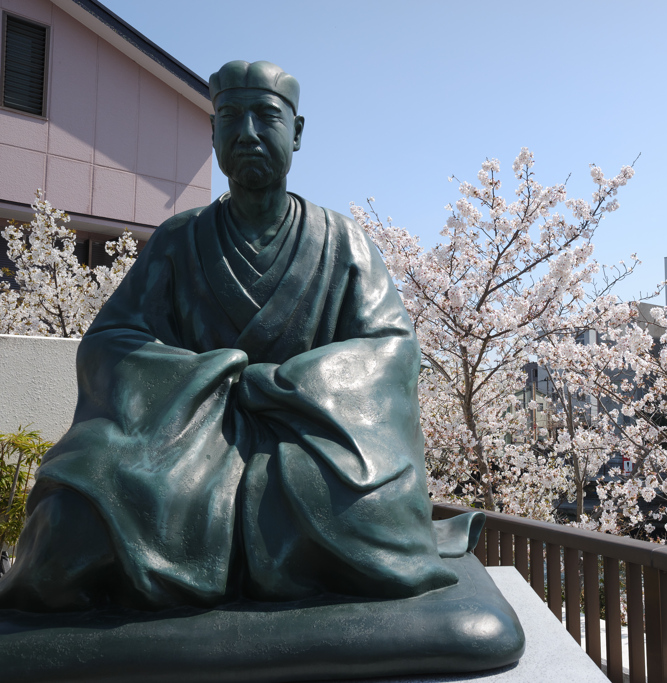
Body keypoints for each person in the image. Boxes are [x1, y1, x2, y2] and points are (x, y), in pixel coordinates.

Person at [0, 61, 477, 612]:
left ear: (297, 133)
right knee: (69, 525)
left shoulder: (344, 242)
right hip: (187, 445)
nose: (247, 132)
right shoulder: (178, 240)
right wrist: (212, 380)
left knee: (371, 515)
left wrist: (286, 383)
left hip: (310, 447)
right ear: (213, 132)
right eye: (229, 116)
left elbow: (391, 350)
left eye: (266, 116)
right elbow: (112, 342)